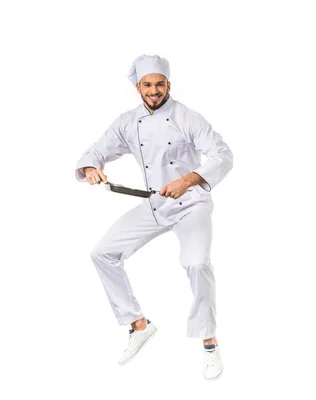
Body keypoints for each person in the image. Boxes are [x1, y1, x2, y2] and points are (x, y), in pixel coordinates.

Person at [74, 54, 233, 380]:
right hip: (155, 204)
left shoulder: (187, 117)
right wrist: (92, 167)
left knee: (196, 262)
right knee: (102, 253)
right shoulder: (127, 121)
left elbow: (222, 154)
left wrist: (187, 180)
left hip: (192, 204)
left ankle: (209, 342)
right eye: (148, 85)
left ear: (168, 85)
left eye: (160, 84)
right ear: (138, 87)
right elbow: (100, 148)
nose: (154, 90)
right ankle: (138, 325)